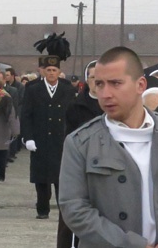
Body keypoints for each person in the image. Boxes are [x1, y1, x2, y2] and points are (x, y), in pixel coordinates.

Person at [60, 46, 158, 247]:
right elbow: (75, 209)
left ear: (140, 85)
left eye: (116, 83)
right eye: (99, 84)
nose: (105, 93)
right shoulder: (80, 143)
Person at [21, 55, 76, 220]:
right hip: (41, 139)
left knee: (62, 178)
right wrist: (28, 137)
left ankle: (63, 210)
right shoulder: (33, 89)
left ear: (59, 71)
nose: (51, 73)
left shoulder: (67, 89)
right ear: (43, 71)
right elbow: (26, 115)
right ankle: (42, 209)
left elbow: (73, 115)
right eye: (48, 70)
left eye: (54, 70)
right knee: (42, 178)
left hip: (61, 140)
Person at [57, 60, 103, 248]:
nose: (97, 82)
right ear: (87, 80)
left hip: (106, 166)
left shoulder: (112, 104)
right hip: (81, 163)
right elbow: (70, 136)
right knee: (70, 215)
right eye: (93, 78)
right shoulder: (76, 105)